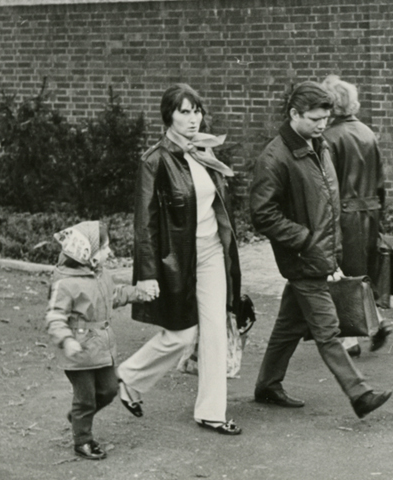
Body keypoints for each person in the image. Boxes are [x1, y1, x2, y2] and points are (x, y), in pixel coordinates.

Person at [249, 81, 392, 419]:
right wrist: (306, 241)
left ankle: (267, 385)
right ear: (294, 114)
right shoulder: (275, 157)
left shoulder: (319, 145)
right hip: (303, 257)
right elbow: (262, 214)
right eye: (314, 119)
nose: (321, 124)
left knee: (288, 326)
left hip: (321, 254)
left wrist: (332, 251)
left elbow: (328, 203)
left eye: (325, 119)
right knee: (328, 331)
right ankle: (360, 393)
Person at [116, 84, 244, 436]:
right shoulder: (155, 160)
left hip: (212, 251)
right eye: (183, 112)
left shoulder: (204, 150)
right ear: (168, 116)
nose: (192, 118)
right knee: (182, 335)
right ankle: (129, 376)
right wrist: (146, 274)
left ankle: (212, 412)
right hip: (176, 258)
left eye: (196, 111)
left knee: (216, 328)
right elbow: (145, 223)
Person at [45, 220, 153, 461]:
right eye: (104, 248)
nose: (110, 252)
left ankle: (78, 417)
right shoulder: (65, 282)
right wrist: (66, 340)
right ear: (88, 254)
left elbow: (113, 296)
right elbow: (55, 316)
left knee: (109, 389)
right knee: (85, 397)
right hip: (78, 351)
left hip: (102, 347)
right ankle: (82, 439)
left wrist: (138, 292)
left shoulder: (102, 275)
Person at [321, 75, 393, 357]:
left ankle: (349, 339)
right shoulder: (366, 133)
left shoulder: (329, 138)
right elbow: (380, 181)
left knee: (341, 274)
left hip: (345, 214)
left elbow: (328, 185)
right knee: (360, 273)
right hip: (370, 210)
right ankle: (376, 322)